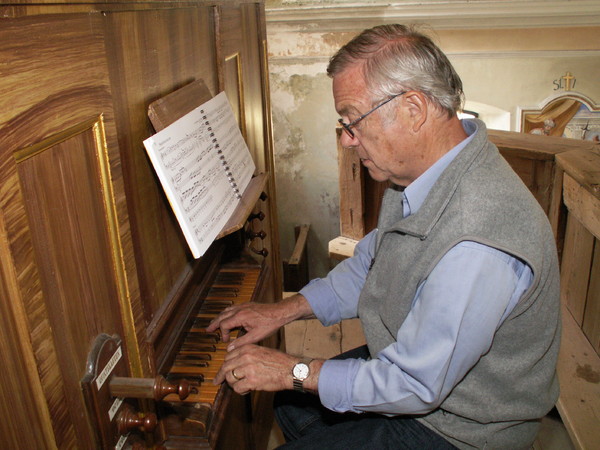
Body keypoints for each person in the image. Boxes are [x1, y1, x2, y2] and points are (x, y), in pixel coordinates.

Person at [207, 24, 560, 449]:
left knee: (291, 391)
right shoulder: (416, 177)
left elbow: (412, 385)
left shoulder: (478, 243)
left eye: (352, 120)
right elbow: (372, 264)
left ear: (413, 109)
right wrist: (283, 312)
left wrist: (292, 370)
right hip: (416, 369)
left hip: (461, 428)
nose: (346, 140)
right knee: (291, 407)